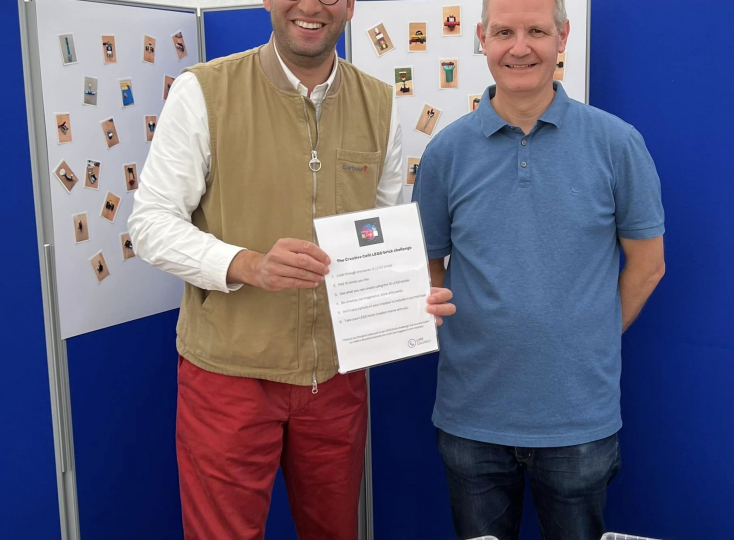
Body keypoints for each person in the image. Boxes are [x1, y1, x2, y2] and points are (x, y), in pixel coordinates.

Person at [127, 0, 455, 538]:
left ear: (349, 5)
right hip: (229, 372)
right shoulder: (204, 91)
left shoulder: (378, 102)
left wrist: (408, 297)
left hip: (335, 374)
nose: (310, 6)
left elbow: (383, 229)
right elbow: (151, 223)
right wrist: (246, 263)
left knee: (333, 531)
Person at [412, 0, 666, 538]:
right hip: (471, 415)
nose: (519, 47)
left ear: (563, 37)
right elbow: (426, 263)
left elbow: (647, 266)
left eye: (536, 31)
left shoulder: (617, 143)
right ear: (481, 38)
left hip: (578, 417)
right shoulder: (445, 152)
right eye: (503, 32)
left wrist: (587, 335)